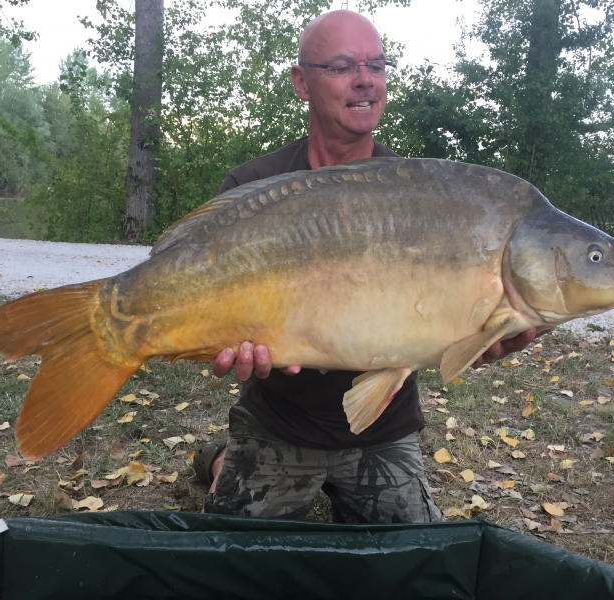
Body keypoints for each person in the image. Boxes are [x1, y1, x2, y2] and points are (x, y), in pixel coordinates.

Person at [196, 9, 547, 523]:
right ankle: (221, 458)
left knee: (411, 570)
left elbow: (452, 326)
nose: (365, 79)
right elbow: (209, 310)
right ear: (301, 82)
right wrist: (224, 343)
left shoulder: (414, 192)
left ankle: (229, 461)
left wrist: (480, 341)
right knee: (235, 566)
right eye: (342, 66)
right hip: (278, 423)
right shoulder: (256, 188)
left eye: (376, 65)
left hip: (381, 429)